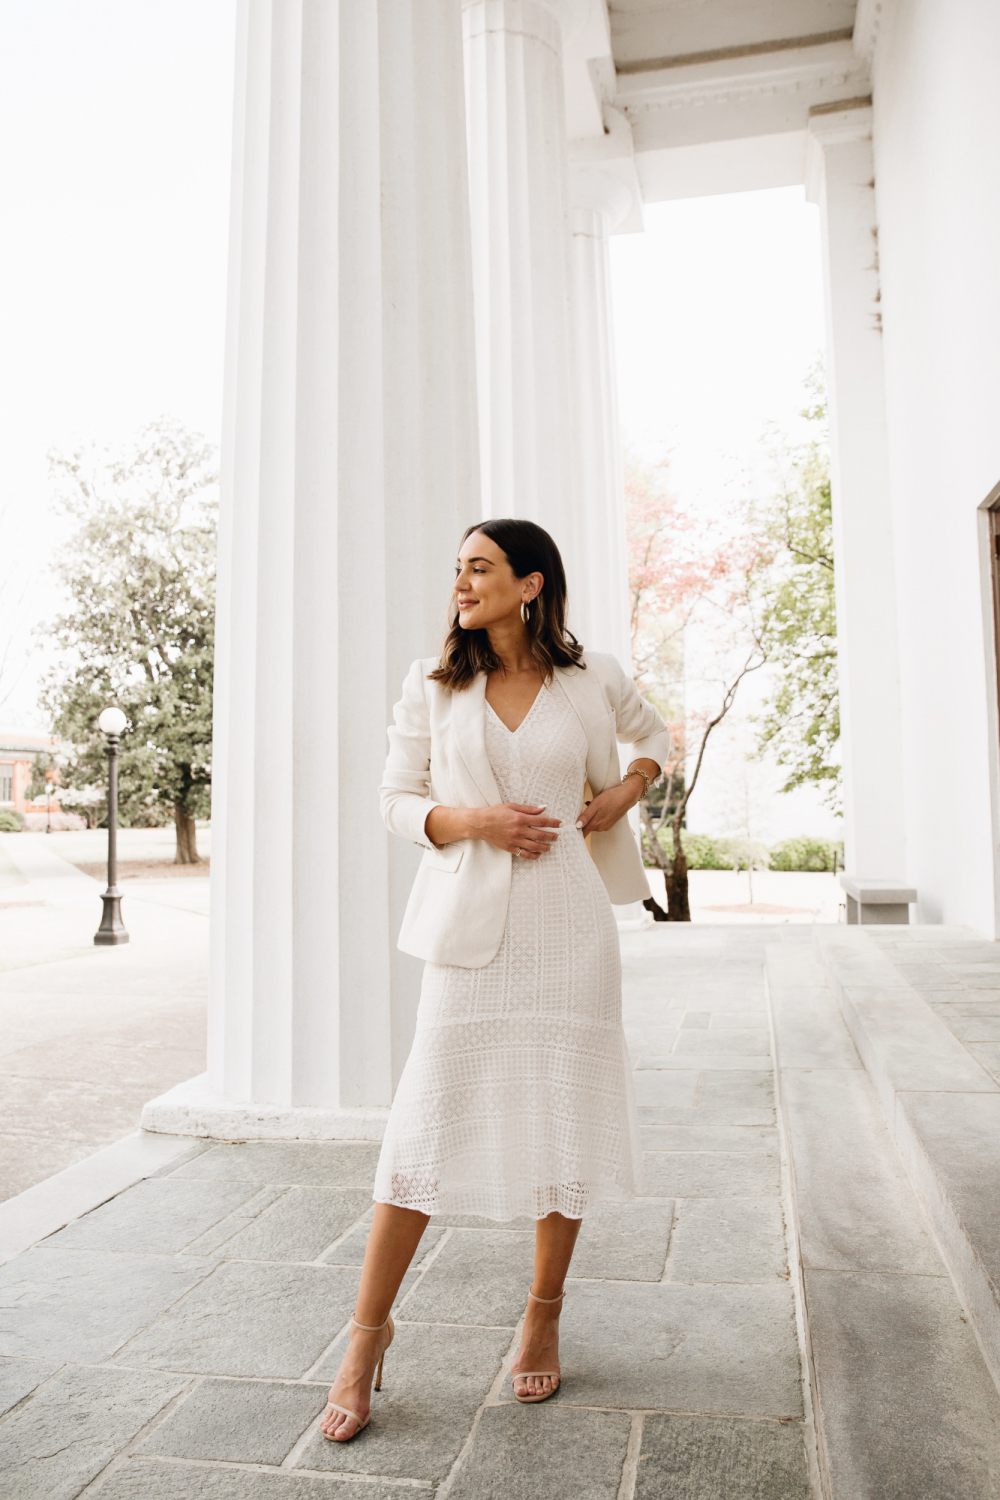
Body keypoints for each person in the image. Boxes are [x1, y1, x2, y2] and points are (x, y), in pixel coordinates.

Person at [320, 518, 671, 1441]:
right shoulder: (434, 683)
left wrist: (622, 792)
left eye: (478, 569)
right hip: (472, 931)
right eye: (457, 570)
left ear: (530, 583)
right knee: (424, 1124)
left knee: (564, 1114)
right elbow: (396, 801)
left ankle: (543, 1312)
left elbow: (653, 735)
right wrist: (472, 820)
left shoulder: (590, 675)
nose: (460, 585)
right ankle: (365, 1335)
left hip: (569, 922)